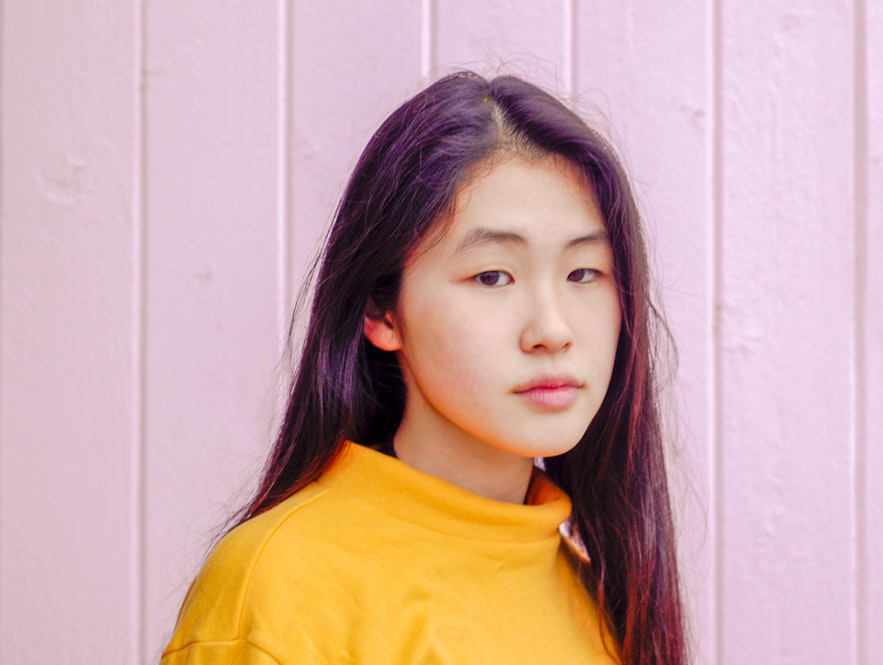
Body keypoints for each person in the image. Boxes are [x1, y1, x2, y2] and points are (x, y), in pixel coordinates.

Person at [160, 71, 688, 665]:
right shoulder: (279, 587)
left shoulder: (600, 581)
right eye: (493, 276)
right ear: (383, 310)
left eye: (583, 273)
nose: (553, 330)